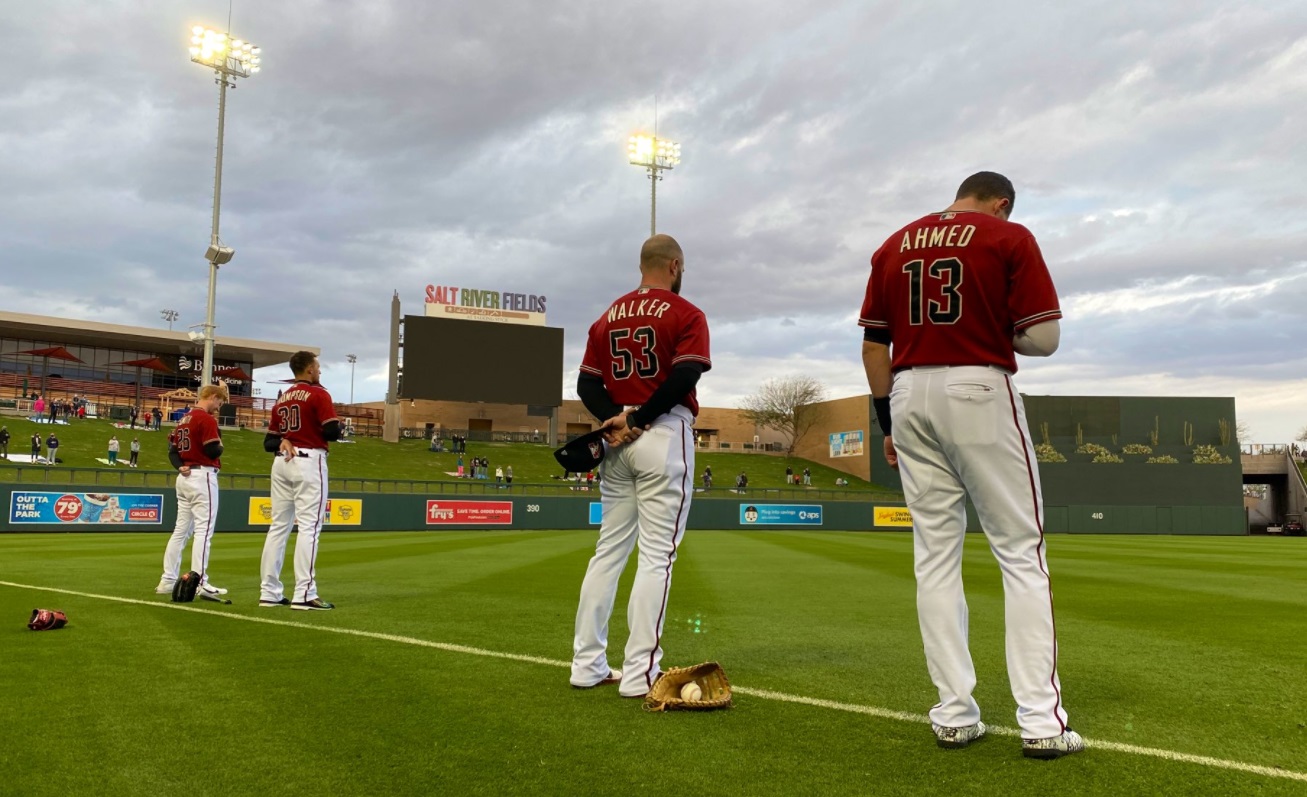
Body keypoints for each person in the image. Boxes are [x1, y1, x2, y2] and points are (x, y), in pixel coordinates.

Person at [858, 171, 1079, 759]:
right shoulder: (1007, 237)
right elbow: (1045, 339)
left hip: (906, 395)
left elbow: (873, 346)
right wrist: (993, 324)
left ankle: (954, 714)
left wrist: (887, 423)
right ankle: (1040, 722)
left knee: (934, 557)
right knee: (1020, 552)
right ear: (1001, 203)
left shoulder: (894, 243)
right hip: (978, 386)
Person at [570, 233, 711, 698]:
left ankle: (586, 664)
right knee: (657, 557)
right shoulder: (686, 313)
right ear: (674, 266)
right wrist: (640, 418)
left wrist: (616, 419)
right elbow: (686, 374)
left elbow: (586, 384)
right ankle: (639, 674)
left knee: (608, 552)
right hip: (662, 433)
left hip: (615, 438)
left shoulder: (607, 316)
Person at [260, 351, 342, 610]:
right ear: (308, 369)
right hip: (308, 460)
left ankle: (269, 592)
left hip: (281, 462)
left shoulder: (283, 398)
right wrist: (338, 427)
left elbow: (268, 442)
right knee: (309, 527)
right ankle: (304, 593)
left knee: (278, 528)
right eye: (317, 366)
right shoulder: (319, 393)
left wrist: (285, 439)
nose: (319, 370)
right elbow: (331, 431)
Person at [157, 384, 230, 601]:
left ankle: (167, 580)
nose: (219, 406)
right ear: (213, 397)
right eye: (220, 401)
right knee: (203, 532)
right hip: (202, 477)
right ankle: (201, 583)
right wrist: (221, 441)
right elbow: (213, 450)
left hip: (185, 477)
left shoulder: (182, 419)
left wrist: (179, 465)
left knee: (181, 531)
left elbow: (172, 452)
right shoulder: (205, 419)